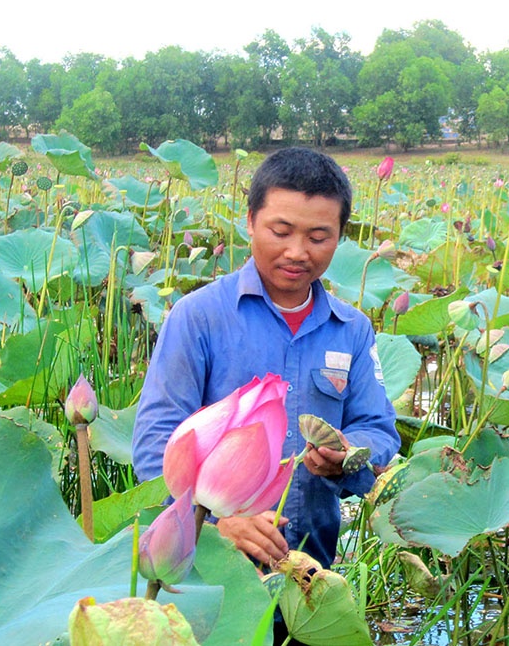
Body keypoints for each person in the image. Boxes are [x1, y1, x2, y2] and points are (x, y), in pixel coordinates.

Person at [132, 147, 400, 570]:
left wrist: (349, 455)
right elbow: (155, 444)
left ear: (340, 236)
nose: (297, 252)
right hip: (209, 567)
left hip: (311, 570)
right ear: (250, 221)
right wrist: (213, 523)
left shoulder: (352, 329)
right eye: (281, 231)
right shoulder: (198, 317)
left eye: (318, 238)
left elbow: (378, 429)